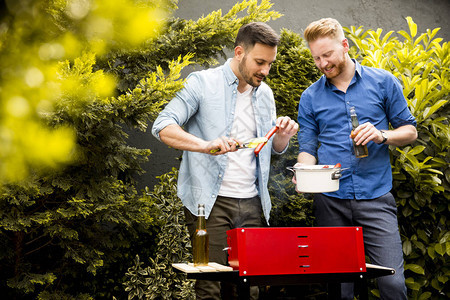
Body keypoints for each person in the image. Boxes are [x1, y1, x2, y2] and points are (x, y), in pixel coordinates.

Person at [152, 22, 298, 299]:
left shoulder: (265, 93)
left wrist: (283, 136)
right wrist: (206, 145)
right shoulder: (202, 83)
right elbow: (162, 126)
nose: (265, 71)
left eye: (270, 64)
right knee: (210, 288)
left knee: (250, 290)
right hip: (211, 202)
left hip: (254, 203)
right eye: (260, 62)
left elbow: (271, 149)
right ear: (239, 52)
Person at [295, 18, 417, 300]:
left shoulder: (383, 82)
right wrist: (303, 171)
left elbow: (410, 131)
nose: (323, 63)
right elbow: (308, 146)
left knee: (393, 284)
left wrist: (381, 135)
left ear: (345, 45)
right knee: (340, 289)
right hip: (331, 201)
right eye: (316, 58)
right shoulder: (310, 97)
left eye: (327, 55)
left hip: (376, 197)